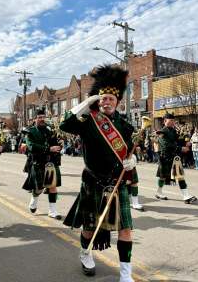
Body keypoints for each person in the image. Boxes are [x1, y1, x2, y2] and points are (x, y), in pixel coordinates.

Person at [60, 65, 136, 281]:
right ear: (97, 100)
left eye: (111, 98)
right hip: (93, 181)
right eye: (103, 98)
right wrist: (87, 102)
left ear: (117, 102)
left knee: (126, 229)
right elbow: (66, 124)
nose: (107, 101)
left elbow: (129, 149)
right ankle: (85, 252)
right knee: (89, 228)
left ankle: (126, 275)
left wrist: (133, 160)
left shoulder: (125, 125)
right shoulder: (88, 120)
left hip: (117, 181)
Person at [22, 109, 62, 219]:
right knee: (38, 188)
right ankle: (33, 201)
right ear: (34, 119)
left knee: (52, 186)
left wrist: (59, 145)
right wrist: (49, 149)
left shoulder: (50, 129)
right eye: (39, 117)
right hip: (38, 162)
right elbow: (31, 147)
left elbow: (54, 144)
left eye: (43, 117)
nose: (42, 119)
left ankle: (52, 211)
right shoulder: (30, 132)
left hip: (51, 162)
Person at [155, 113, 197, 203]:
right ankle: (159, 192)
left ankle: (186, 196)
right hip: (165, 157)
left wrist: (186, 142)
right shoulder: (162, 132)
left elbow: (177, 140)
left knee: (179, 175)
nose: (173, 122)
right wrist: (180, 148)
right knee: (162, 177)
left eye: (173, 120)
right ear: (165, 121)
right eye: (171, 120)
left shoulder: (173, 131)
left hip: (174, 157)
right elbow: (166, 145)